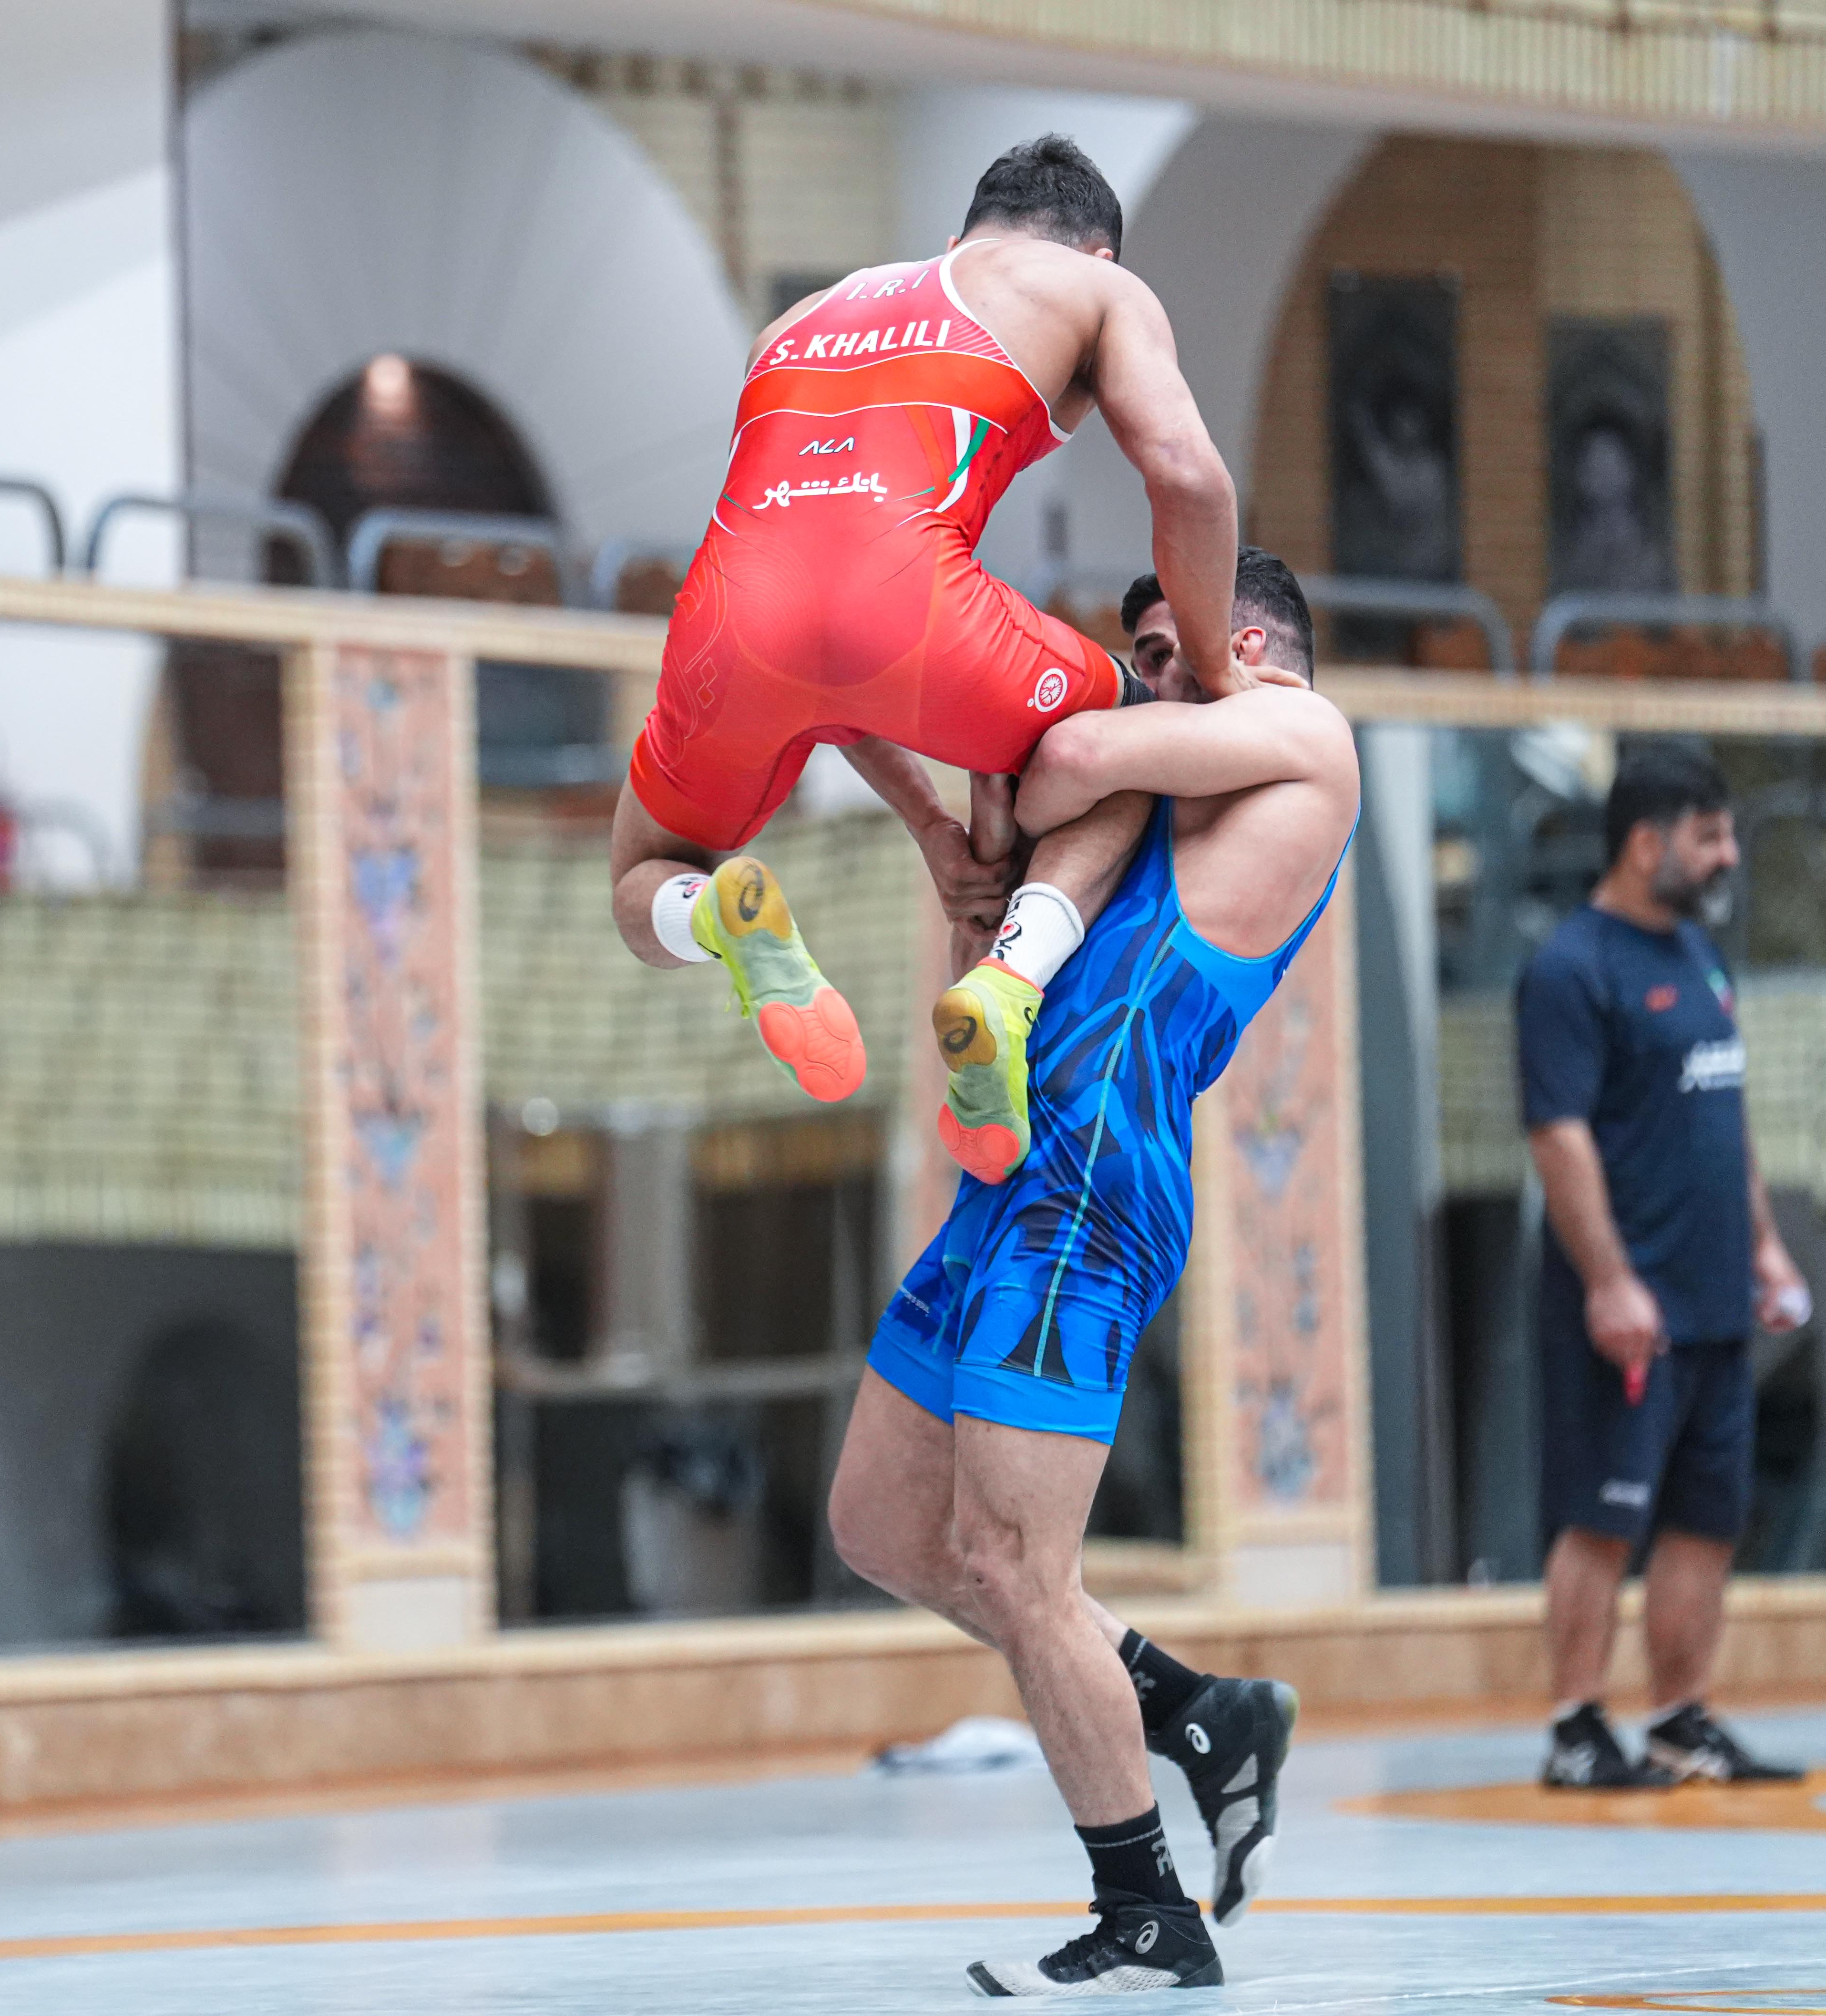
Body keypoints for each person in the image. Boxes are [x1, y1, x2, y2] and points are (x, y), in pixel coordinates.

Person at [825, 550, 1360, 1995]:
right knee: (881, 1521)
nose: (1144, 676)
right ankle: (1199, 1713)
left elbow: (1067, 751)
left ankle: (1146, 1912)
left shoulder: (1306, 738)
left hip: (1092, 1191)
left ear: (1249, 642)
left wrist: (1036, 739)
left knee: (1014, 1560)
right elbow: (1000, 924)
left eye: (1166, 650)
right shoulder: (1156, 810)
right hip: (1008, 1180)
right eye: (1140, 654)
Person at [606, 136, 1243, 1183]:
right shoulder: (1093, 287)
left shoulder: (799, 320)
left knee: (643, 872)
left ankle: (714, 915)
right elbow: (1190, 477)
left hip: (728, 624)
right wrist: (1215, 678)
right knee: (1129, 739)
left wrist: (933, 830)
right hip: (913, 612)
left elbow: (821, 631)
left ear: (957, 242)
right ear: (1098, 254)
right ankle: (1007, 982)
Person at [1517, 742, 1813, 1790]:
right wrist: (1609, 1280)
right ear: (1647, 845)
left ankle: (1681, 1720)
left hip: (1716, 1299)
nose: (1728, 854)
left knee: (1705, 1520)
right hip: (1627, 1306)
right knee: (1602, 1520)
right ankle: (1576, 1726)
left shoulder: (1699, 958)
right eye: (1710, 835)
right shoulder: (1570, 970)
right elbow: (1558, 1136)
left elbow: (1723, 1116)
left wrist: (1764, 1245)